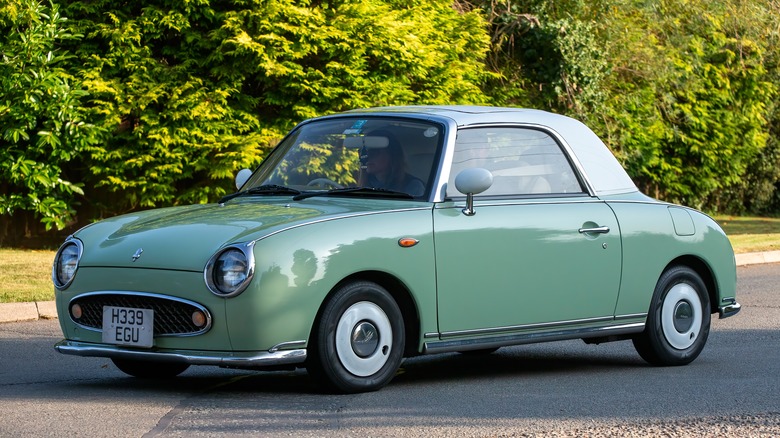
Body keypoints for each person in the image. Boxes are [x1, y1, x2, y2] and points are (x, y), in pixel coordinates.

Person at [358, 130, 426, 197]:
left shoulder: (413, 186)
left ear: (393, 155)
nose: (367, 157)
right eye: (363, 153)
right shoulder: (357, 188)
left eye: (375, 152)